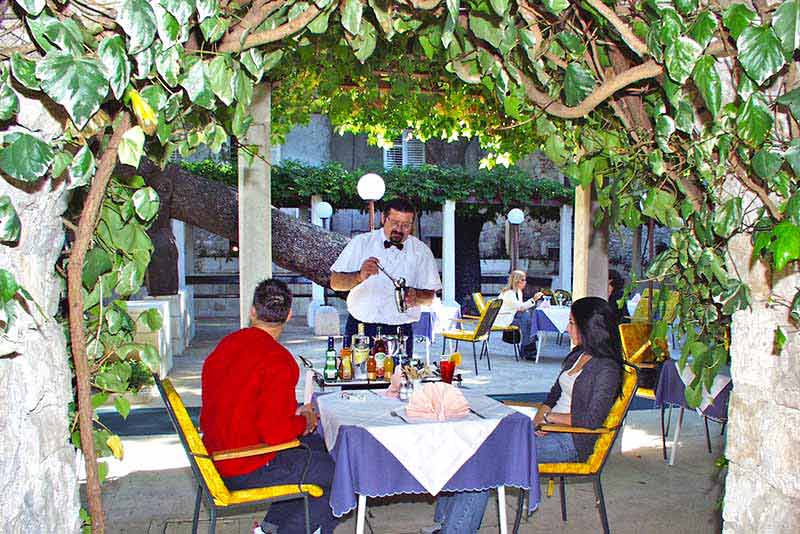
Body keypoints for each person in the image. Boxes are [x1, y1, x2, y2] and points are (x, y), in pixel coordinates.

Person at [429, 297, 623, 533]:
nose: (567, 328)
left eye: (572, 323)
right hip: (548, 428)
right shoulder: (579, 354)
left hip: (571, 441)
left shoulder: (607, 368)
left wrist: (549, 421)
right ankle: (447, 523)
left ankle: (455, 530)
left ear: (590, 327)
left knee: (485, 458)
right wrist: (538, 420)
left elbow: (592, 420)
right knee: (473, 444)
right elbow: (553, 395)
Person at [200, 279, 337, 534]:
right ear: (289, 315)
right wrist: (305, 419)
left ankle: (270, 528)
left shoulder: (223, 347)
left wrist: (293, 416)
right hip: (246, 463)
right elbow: (277, 434)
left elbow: (250, 406)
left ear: (252, 311)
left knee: (320, 450)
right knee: (344, 474)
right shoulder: (278, 360)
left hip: (216, 456)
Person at [330, 198, 442, 355]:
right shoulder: (361, 243)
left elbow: (431, 297)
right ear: (383, 218)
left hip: (401, 331)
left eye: (405, 225)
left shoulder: (421, 252)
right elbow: (335, 282)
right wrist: (359, 276)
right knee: (357, 377)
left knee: (399, 378)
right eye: (395, 222)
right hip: (361, 329)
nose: (399, 229)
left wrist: (417, 297)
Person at [494, 270, 544, 360]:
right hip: (504, 318)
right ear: (517, 281)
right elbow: (520, 307)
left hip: (513, 316)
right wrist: (534, 299)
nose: (525, 282)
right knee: (526, 319)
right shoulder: (509, 293)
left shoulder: (518, 292)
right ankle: (527, 349)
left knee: (527, 319)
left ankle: (527, 348)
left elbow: (520, 308)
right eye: (523, 280)